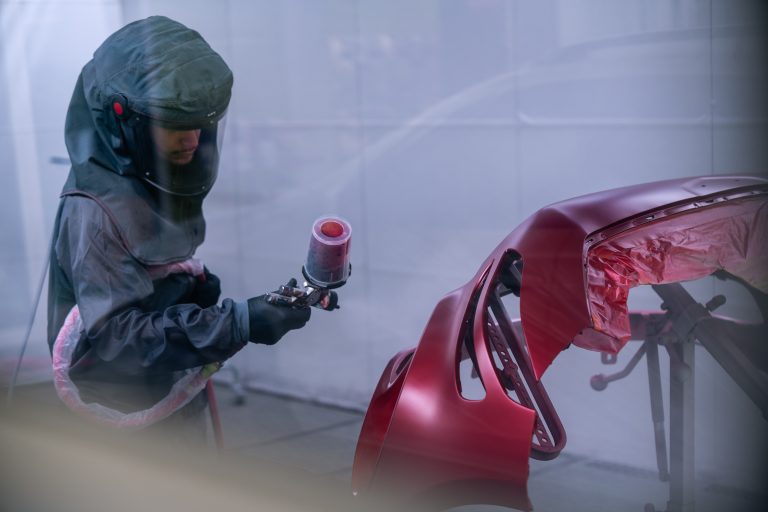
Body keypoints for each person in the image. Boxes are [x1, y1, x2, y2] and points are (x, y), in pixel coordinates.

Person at [46, 16, 311, 436]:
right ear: (122, 122)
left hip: (165, 388)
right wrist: (238, 323)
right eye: (173, 124)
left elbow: (146, 275)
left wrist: (191, 288)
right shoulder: (96, 212)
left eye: (200, 123)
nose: (192, 139)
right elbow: (118, 339)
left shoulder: (145, 172)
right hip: (120, 419)